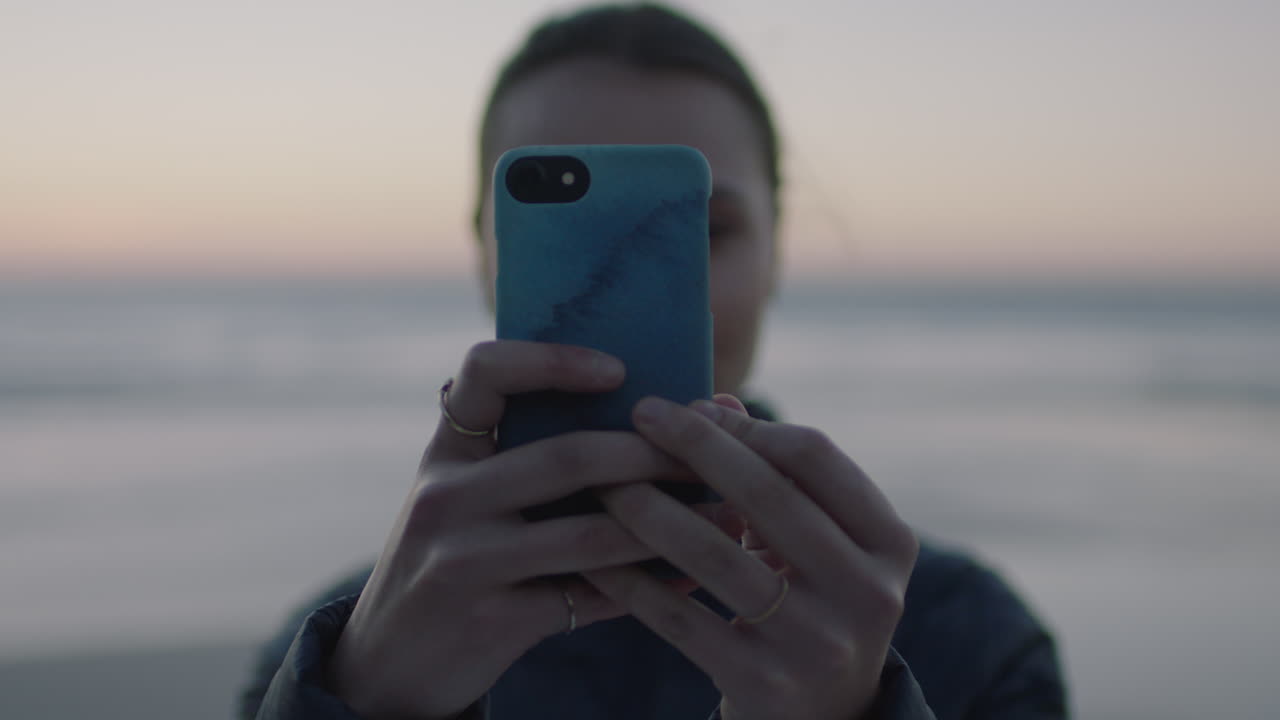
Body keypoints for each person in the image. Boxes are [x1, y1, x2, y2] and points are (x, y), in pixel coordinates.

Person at [239, 4, 1068, 719]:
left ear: (779, 253)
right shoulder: (347, 652)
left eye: (700, 235)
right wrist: (362, 704)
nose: (625, 288)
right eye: (565, 242)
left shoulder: (968, 636)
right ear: (485, 254)